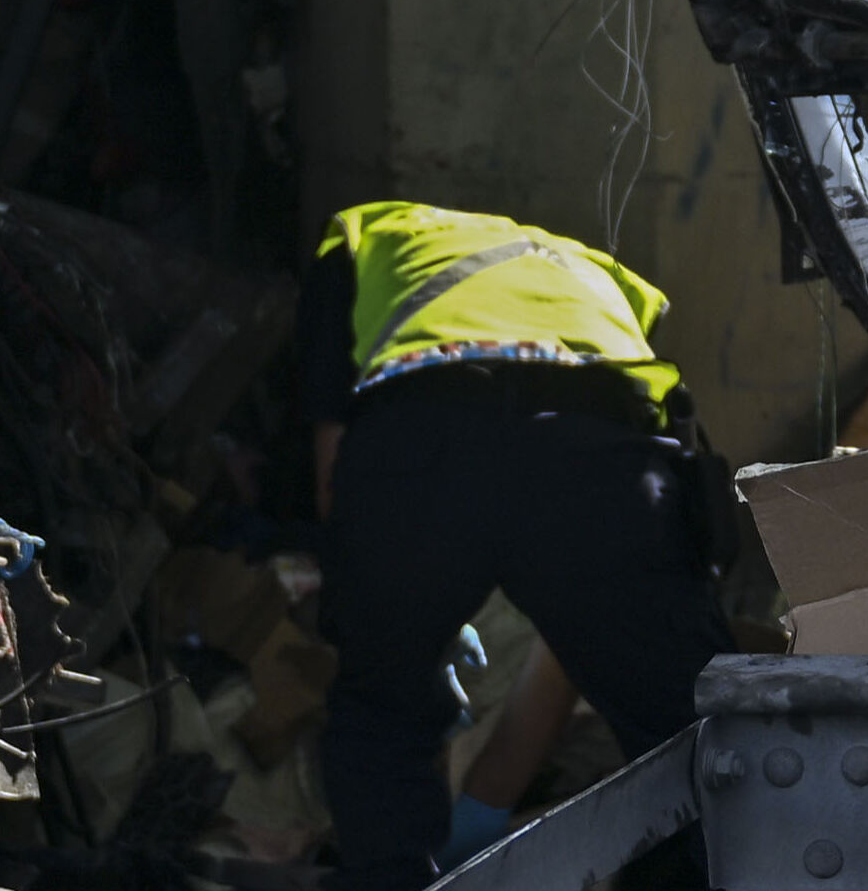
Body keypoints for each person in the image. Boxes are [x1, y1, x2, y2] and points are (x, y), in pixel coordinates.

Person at [304, 200, 735, 889]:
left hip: (422, 446)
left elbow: (334, 475)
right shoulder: (604, 276)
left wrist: (400, 611)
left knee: (381, 711)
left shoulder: (366, 234)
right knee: (695, 730)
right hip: (604, 465)